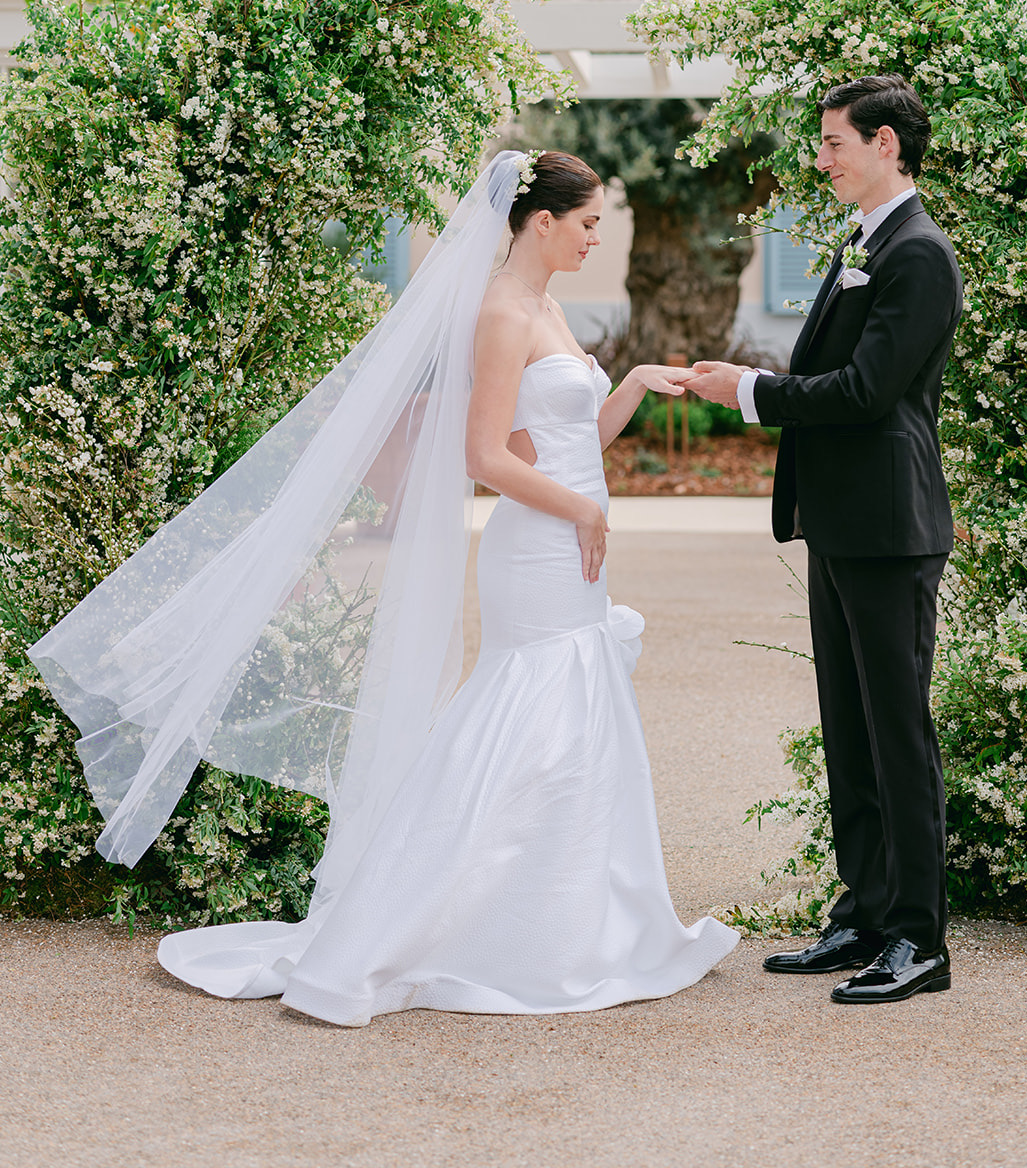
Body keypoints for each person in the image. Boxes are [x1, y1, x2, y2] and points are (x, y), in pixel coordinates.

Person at [30, 150, 736, 1025]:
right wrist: (583, 512)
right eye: (588, 223)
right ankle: (449, 920)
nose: (597, 238)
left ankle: (566, 921)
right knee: (526, 714)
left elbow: (574, 440)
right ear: (542, 221)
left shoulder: (548, 306)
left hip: (571, 545)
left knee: (571, 721)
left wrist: (629, 385)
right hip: (538, 549)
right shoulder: (500, 312)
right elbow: (483, 457)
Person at [688, 76, 963, 1005]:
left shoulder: (919, 254)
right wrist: (758, 382)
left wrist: (748, 392)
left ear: (885, 143)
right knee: (849, 729)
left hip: (890, 528)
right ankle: (864, 914)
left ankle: (919, 939)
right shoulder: (864, 241)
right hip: (842, 521)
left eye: (834, 141)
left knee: (898, 733)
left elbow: (867, 392)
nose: (821, 157)